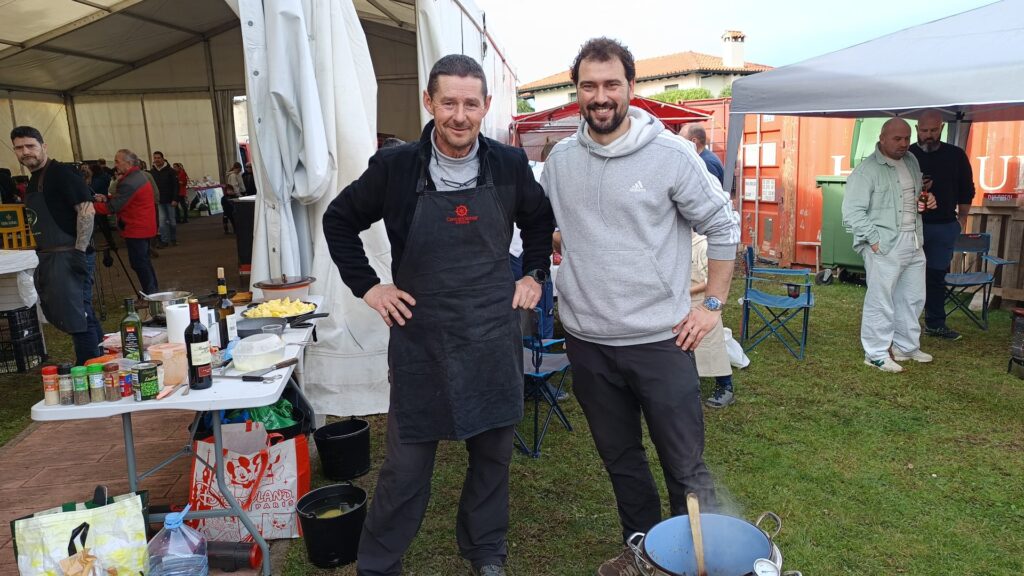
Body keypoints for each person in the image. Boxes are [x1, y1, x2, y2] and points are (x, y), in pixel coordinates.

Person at [323, 54, 554, 576]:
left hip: (491, 334)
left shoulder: (509, 164)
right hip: (421, 339)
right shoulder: (396, 167)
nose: (459, 116)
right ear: (429, 102)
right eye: (448, 103)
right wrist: (370, 287)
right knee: (406, 466)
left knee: (492, 458)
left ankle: (486, 552)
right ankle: (379, 564)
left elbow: (540, 220)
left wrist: (533, 274)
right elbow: (339, 220)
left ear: (486, 106)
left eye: (470, 104)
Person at [539, 38, 740, 575]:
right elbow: (553, 225)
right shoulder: (560, 161)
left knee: (684, 466)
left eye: (611, 84)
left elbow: (723, 226)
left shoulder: (671, 155)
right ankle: (645, 556)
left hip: (660, 341)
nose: (600, 96)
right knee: (622, 463)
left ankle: (698, 562)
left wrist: (712, 304)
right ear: (576, 91)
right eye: (589, 86)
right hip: (588, 344)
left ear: (630, 86)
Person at [842, 118, 936, 373]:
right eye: (897, 139)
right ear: (882, 138)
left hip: (914, 238)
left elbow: (911, 198)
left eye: (907, 138)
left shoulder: (911, 161)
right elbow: (851, 212)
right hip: (885, 242)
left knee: (913, 297)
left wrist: (926, 201)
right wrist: (874, 240)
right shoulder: (866, 170)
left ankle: (906, 347)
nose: (904, 144)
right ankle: (875, 354)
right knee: (880, 299)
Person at [11, 126, 103, 365]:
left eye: (30, 146)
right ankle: (101, 362)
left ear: (44, 146)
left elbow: (87, 211)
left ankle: (88, 368)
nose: (25, 151)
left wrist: (79, 252)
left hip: (70, 255)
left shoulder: (61, 174)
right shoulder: (35, 180)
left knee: (77, 315)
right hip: (52, 256)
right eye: (19, 148)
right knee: (80, 311)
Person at [909, 110, 976, 341]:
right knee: (907, 275)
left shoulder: (955, 155)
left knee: (937, 276)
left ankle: (935, 324)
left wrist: (962, 220)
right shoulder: (907, 155)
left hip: (944, 225)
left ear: (942, 129)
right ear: (917, 129)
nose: (929, 135)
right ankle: (904, 324)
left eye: (933, 130)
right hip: (911, 226)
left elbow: (967, 189)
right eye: (924, 130)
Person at [93, 149, 159, 295]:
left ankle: (151, 293)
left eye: (117, 161)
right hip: (143, 226)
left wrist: (89, 207)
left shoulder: (129, 182)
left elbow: (113, 207)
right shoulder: (137, 177)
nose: (115, 165)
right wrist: (106, 198)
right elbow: (125, 199)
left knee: (139, 263)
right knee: (143, 262)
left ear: (128, 163)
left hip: (136, 228)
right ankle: (152, 291)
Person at [691, 232, 735, 408]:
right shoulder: (674, 245)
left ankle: (726, 387)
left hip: (703, 305)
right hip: (680, 306)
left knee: (712, 347)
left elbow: (711, 281)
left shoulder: (702, 246)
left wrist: (685, 291)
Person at [150, 151, 178, 247]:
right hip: (159, 201)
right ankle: (164, 240)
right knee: (162, 222)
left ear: (162, 158)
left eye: (158, 158)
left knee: (172, 221)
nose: (157, 160)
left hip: (170, 200)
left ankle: (173, 238)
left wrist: (175, 199)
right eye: (155, 158)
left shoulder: (171, 171)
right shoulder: (152, 172)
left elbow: (176, 186)